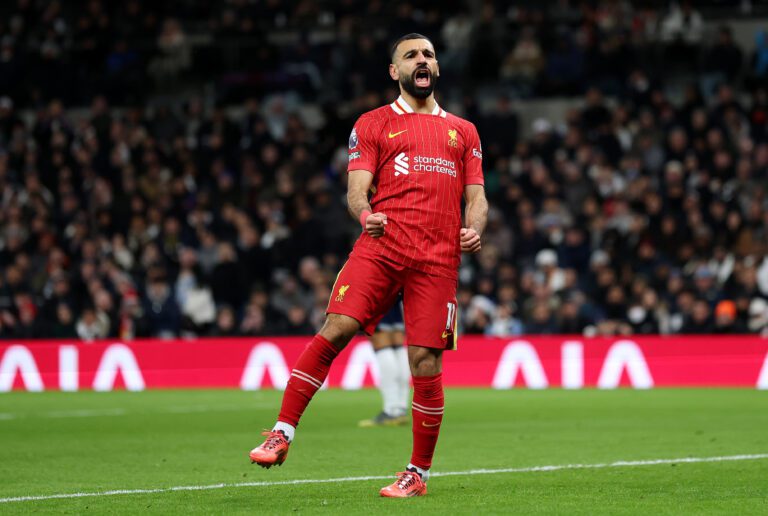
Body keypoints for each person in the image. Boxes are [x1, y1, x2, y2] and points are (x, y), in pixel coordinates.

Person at [248, 33, 488, 498]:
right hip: (382, 246)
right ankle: (282, 432)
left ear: (437, 68)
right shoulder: (374, 123)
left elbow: (476, 196)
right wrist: (365, 214)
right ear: (394, 71)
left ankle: (417, 473)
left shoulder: (465, 131)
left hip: (437, 258)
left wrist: (474, 227)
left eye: (429, 55)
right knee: (336, 327)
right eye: (411, 55)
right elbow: (357, 188)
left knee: (424, 361)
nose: (422, 61)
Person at [358, 297, 410, 427]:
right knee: (397, 342)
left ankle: (391, 410)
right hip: (396, 296)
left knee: (380, 340)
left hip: (378, 293)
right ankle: (400, 409)